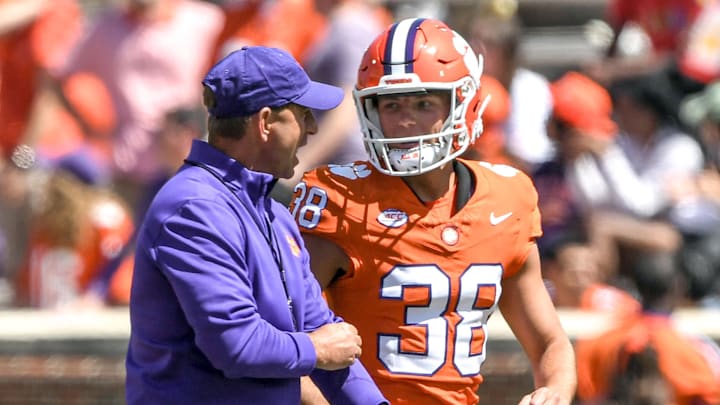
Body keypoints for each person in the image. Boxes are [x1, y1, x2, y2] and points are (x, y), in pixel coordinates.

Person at [290, 18, 577, 404]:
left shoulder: (508, 198)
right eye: (391, 105)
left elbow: (548, 341)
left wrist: (554, 390)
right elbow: (286, 341)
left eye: (424, 103)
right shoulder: (340, 198)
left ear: (464, 103)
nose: (406, 120)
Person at [125, 46, 387, 405]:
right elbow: (236, 345)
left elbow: (322, 328)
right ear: (265, 123)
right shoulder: (195, 208)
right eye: (302, 114)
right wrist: (316, 348)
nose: (312, 129)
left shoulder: (272, 212)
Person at [575, 251, 720, 405]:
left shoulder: (599, 342)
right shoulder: (690, 348)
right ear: (678, 285)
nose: (641, 388)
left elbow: (584, 392)